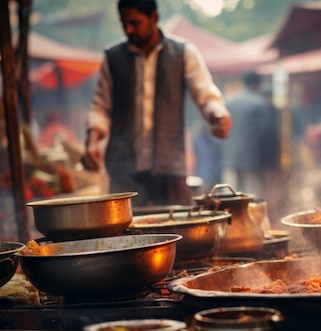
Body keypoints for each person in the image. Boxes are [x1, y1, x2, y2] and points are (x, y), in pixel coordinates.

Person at [81, 0, 232, 206]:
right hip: (123, 172)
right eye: (124, 23)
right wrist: (92, 141)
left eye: (135, 22)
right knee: (124, 233)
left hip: (170, 168)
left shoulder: (184, 53)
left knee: (178, 230)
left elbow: (205, 95)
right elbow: (101, 106)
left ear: (154, 17)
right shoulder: (113, 58)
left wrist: (218, 116)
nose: (129, 29)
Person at [222, 69, 276, 199]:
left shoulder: (229, 102)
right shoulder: (259, 103)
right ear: (257, 85)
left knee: (231, 201)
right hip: (253, 161)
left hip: (230, 160)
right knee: (253, 200)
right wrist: (271, 160)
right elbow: (266, 132)